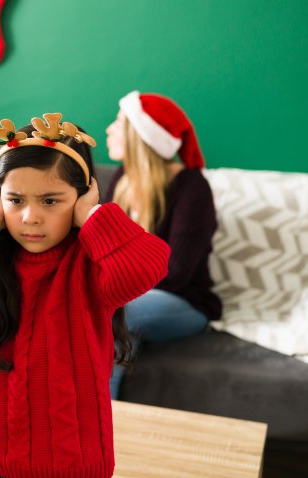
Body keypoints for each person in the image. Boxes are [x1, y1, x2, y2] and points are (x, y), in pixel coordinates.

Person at [0, 113, 170, 478]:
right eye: (15, 200)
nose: (30, 216)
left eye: (51, 201)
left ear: (83, 196)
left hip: (72, 465)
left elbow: (148, 266)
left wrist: (94, 218)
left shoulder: (92, 266)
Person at [105, 91, 223, 398]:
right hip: (128, 296)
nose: (109, 130)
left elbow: (176, 272)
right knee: (111, 328)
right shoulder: (122, 179)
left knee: (111, 311)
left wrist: (114, 278)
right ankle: (100, 424)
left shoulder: (192, 187)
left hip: (184, 300)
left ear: (138, 134)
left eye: (118, 123)